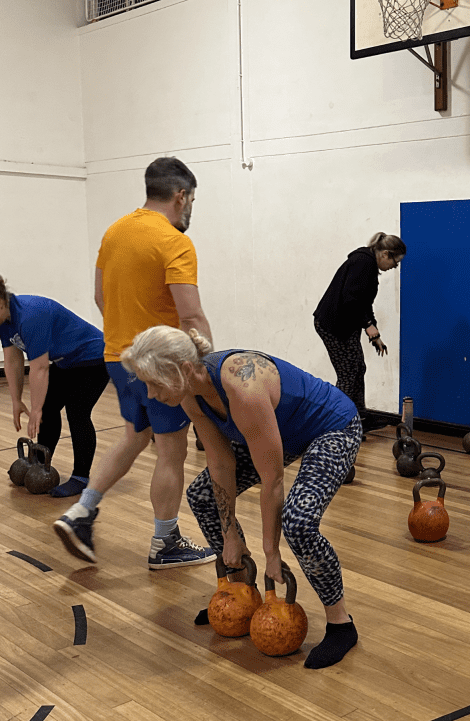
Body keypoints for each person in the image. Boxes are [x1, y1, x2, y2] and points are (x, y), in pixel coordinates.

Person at [120, 325, 363, 669]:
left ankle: (341, 623)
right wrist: (230, 533)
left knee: (299, 522)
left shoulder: (243, 389)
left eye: (156, 382)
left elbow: (273, 480)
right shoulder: (190, 394)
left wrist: (271, 552)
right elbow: (221, 464)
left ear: (184, 369)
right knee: (202, 494)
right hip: (280, 433)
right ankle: (241, 594)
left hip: (332, 427)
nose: (151, 393)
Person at [53, 156, 215, 570]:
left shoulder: (114, 231)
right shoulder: (174, 241)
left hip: (116, 356)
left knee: (133, 436)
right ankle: (165, 544)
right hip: (160, 364)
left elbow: (99, 297)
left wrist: (126, 336)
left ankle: (81, 511)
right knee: (171, 450)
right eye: (192, 199)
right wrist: (207, 367)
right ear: (181, 196)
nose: (191, 207)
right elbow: (191, 315)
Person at [0, 277, 109, 498]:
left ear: (1, 301)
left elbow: (40, 368)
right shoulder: (5, 320)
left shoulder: (31, 315)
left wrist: (36, 408)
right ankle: (40, 465)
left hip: (94, 359)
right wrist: (16, 400)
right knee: (49, 409)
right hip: (67, 361)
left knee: (77, 411)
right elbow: (12, 360)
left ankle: (81, 477)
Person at [313, 232, 406, 434]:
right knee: (348, 373)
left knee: (358, 368)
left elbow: (364, 303)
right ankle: (335, 424)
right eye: (395, 262)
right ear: (385, 254)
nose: (395, 267)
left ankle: (359, 417)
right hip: (333, 325)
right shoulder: (363, 263)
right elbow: (350, 299)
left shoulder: (369, 266)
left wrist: (375, 333)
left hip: (346, 324)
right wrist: (368, 325)